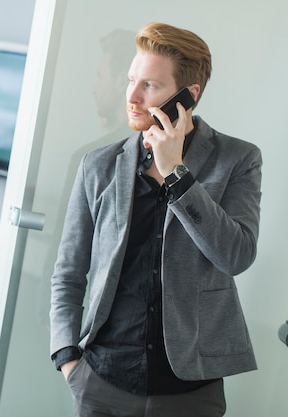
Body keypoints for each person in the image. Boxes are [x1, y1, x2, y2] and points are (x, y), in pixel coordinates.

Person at [50, 22, 262, 417]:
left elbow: (236, 256)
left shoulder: (238, 159)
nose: (131, 96)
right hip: (102, 379)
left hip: (191, 389)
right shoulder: (99, 165)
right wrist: (67, 357)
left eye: (150, 85)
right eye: (132, 79)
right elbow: (68, 271)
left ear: (188, 96)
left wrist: (177, 175)